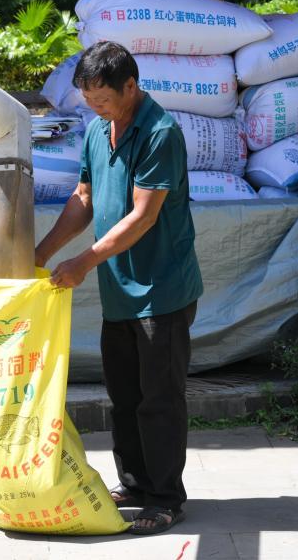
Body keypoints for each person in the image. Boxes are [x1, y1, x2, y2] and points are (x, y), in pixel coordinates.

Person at [33, 41, 203, 535]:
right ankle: (134, 483)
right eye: (88, 99)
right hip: (119, 289)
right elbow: (84, 198)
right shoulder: (95, 130)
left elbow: (144, 216)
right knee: (125, 396)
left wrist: (83, 261)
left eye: (103, 99)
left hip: (160, 290)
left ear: (130, 86)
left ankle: (165, 498)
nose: (95, 107)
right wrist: (41, 253)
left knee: (159, 398)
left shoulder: (160, 133)